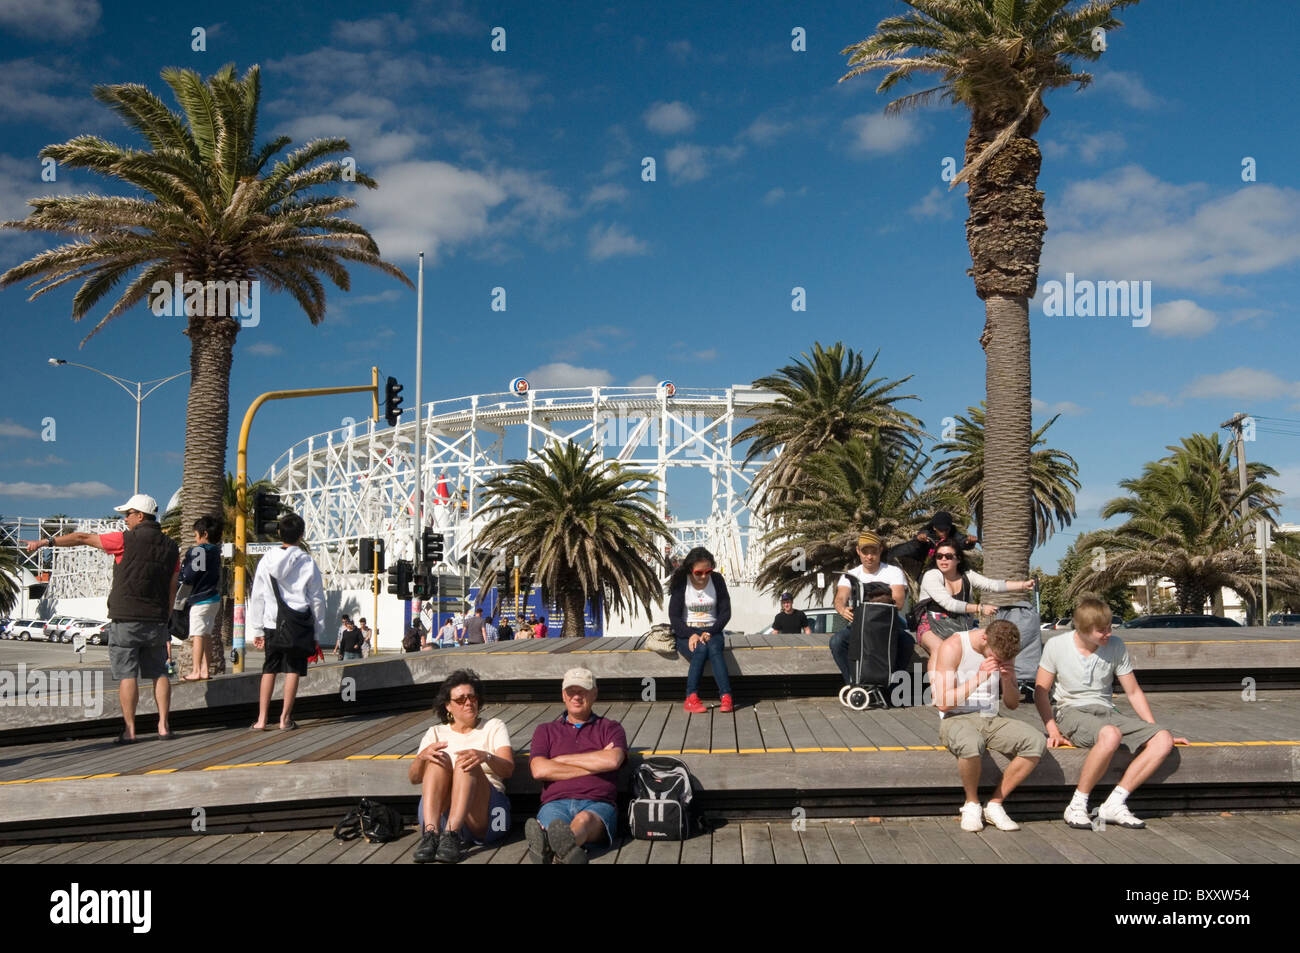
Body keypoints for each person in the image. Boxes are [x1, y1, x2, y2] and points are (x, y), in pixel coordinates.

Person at [28, 493, 179, 743]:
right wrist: (167, 615)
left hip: (125, 617)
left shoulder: (124, 540)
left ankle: (130, 730)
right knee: (159, 672)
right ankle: (163, 726)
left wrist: (46, 542)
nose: (125, 520)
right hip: (157, 619)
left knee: (127, 675)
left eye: (127, 515)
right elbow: (173, 585)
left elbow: (82, 537)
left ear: (140, 516)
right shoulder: (171, 547)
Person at [1035, 596, 1188, 830]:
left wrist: (1152, 730)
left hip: (1106, 711)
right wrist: (1052, 729)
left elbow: (1134, 691)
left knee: (1163, 739)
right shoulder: (1057, 646)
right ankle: (1077, 805)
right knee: (1111, 735)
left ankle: (1114, 803)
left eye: (1109, 628)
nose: (1108, 634)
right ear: (1083, 630)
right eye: (1101, 631)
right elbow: (1040, 692)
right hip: (1070, 711)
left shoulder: (1115, 645)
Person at [933, 619, 1044, 832]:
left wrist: (1008, 678)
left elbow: (1011, 704)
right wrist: (979, 677)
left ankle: (994, 804)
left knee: (1036, 741)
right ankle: (971, 804)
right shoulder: (953, 646)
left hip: (991, 716)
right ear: (984, 638)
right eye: (996, 656)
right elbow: (943, 702)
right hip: (956, 717)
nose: (998, 660)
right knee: (971, 743)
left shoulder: (1003, 651)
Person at [410, 669, 514, 863]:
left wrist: (486, 757)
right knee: (437, 759)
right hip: (441, 813)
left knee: (467, 762)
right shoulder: (435, 732)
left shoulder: (494, 726)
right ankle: (431, 834)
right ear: (448, 706)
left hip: (487, 815)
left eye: (472, 697)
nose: (468, 702)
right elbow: (414, 778)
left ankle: (451, 834)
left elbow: (508, 769)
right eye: (460, 700)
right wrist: (422, 758)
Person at [526, 668, 627, 863]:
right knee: (554, 825)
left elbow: (613, 760)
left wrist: (560, 760)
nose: (576, 696)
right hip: (555, 802)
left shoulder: (610, 727)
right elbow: (539, 770)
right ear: (563, 695)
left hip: (597, 803)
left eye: (582, 691)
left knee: (583, 821)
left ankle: (551, 849)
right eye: (571, 691)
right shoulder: (545, 730)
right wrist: (594, 763)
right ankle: (564, 852)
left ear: (594, 693)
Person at [247, 513, 326, 731]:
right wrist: (317, 631)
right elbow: (317, 599)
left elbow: (258, 595)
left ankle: (262, 719)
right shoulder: (308, 562)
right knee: (293, 669)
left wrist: (257, 628)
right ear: (301, 535)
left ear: (279, 533)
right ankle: (285, 718)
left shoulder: (267, 560)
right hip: (298, 625)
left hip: (272, 623)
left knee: (269, 669)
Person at [914, 542, 1035, 670]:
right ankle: (937, 689)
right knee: (940, 649)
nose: (943, 559)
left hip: (960, 627)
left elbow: (991, 585)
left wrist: (1023, 585)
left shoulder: (967, 575)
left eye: (948, 556)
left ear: (958, 559)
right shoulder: (931, 575)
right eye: (939, 556)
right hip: (930, 627)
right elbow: (949, 604)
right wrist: (980, 608)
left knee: (988, 646)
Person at [831, 531, 913, 683]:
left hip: (886, 628)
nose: (869, 557)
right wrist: (841, 608)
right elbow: (840, 597)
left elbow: (899, 603)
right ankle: (853, 684)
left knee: (907, 642)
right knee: (837, 642)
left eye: (873, 552)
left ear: (880, 550)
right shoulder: (850, 574)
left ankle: (892, 685)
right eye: (865, 552)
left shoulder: (894, 572)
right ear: (858, 551)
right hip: (858, 628)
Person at [668, 546, 734, 713]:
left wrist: (710, 632)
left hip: (712, 629)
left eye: (708, 571)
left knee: (713, 647)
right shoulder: (682, 581)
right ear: (690, 569)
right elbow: (674, 617)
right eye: (699, 573)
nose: (704, 576)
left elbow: (726, 612)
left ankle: (726, 697)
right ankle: (691, 697)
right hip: (686, 631)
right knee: (701, 648)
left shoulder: (717, 580)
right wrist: (691, 634)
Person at [179, 514, 223, 682]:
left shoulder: (199, 551)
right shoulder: (215, 551)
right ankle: (206, 669)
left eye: (195, 534)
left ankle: (196, 670)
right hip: (214, 598)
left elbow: (191, 574)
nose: (195, 538)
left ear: (204, 534)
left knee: (197, 634)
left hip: (200, 598)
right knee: (206, 634)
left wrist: (182, 576)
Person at [886, 510, 979, 577]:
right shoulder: (927, 532)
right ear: (934, 527)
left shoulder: (953, 533)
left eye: (946, 530)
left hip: (945, 570)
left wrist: (968, 542)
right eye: (941, 530)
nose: (944, 533)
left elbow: (962, 541)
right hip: (923, 566)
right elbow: (915, 543)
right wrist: (919, 539)